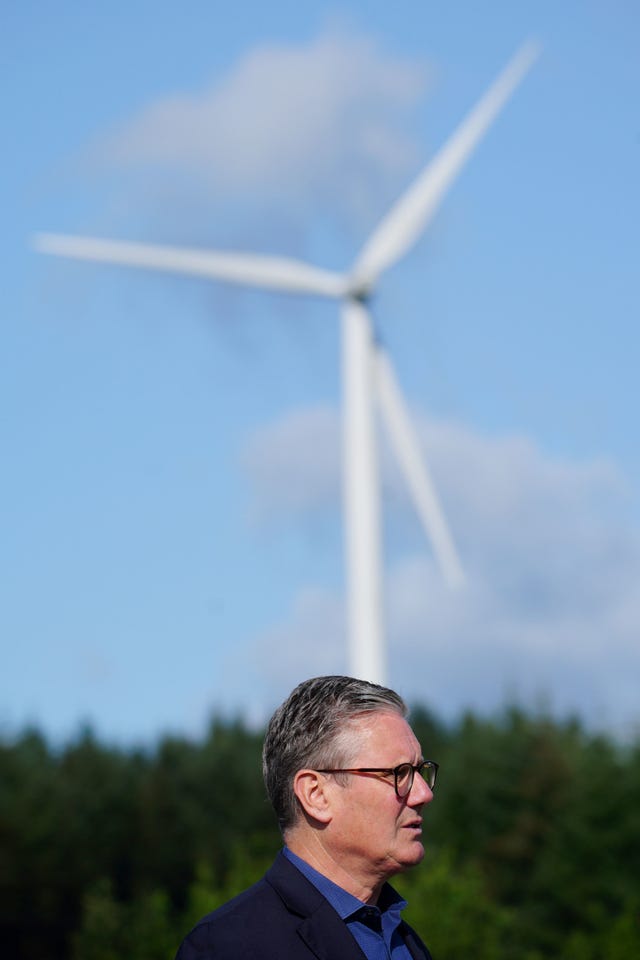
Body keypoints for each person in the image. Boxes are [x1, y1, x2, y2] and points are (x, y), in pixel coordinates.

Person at [175, 675, 437, 960]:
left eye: (420, 771)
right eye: (398, 773)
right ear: (316, 795)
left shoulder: (405, 942)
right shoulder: (228, 947)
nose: (423, 793)